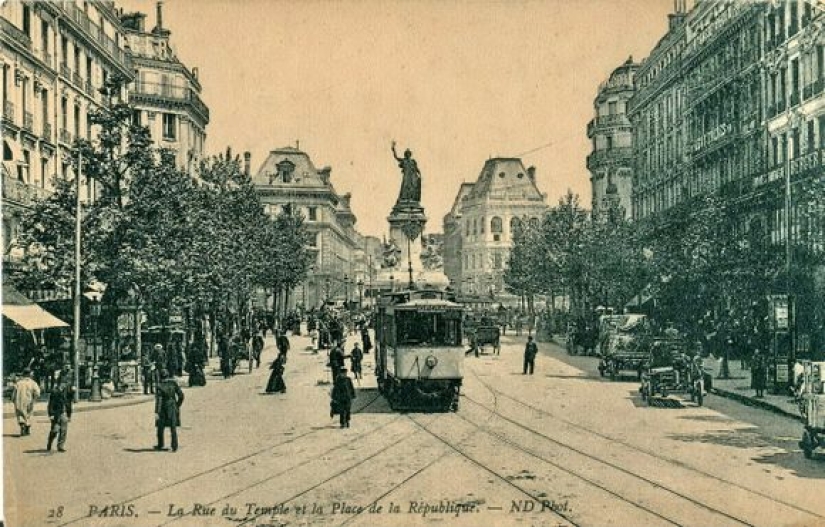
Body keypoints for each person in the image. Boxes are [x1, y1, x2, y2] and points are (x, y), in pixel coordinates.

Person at [154, 369, 184, 452]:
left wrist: (157, 412)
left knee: (160, 427)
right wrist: (177, 405)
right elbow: (181, 395)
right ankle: (174, 446)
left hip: (163, 408)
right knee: (173, 427)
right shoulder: (173, 383)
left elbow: (159, 400)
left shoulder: (159, 386)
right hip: (172, 406)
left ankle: (160, 444)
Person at [47, 373, 74, 452]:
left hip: (63, 413)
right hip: (56, 414)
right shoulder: (55, 392)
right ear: (60, 383)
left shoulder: (67, 391)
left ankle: (60, 446)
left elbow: (69, 403)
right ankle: (50, 441)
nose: (65, 385)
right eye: (63, 383)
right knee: (55, 430)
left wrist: (69, 415)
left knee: (63, 430)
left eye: (66, 383)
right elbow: (50, 404)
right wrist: (51, 414)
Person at [12, 368, 41, 437]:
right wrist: (35, 399)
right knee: (28, 414)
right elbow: (38, 393)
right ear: (29, 374)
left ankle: (22, 425)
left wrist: (14, 400)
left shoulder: (18, 383)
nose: (32, 374)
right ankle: (27, 428)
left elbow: (14, 394)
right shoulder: (33, 383)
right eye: (31, 373)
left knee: (20, 414)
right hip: (29, 401)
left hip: (19, 401)